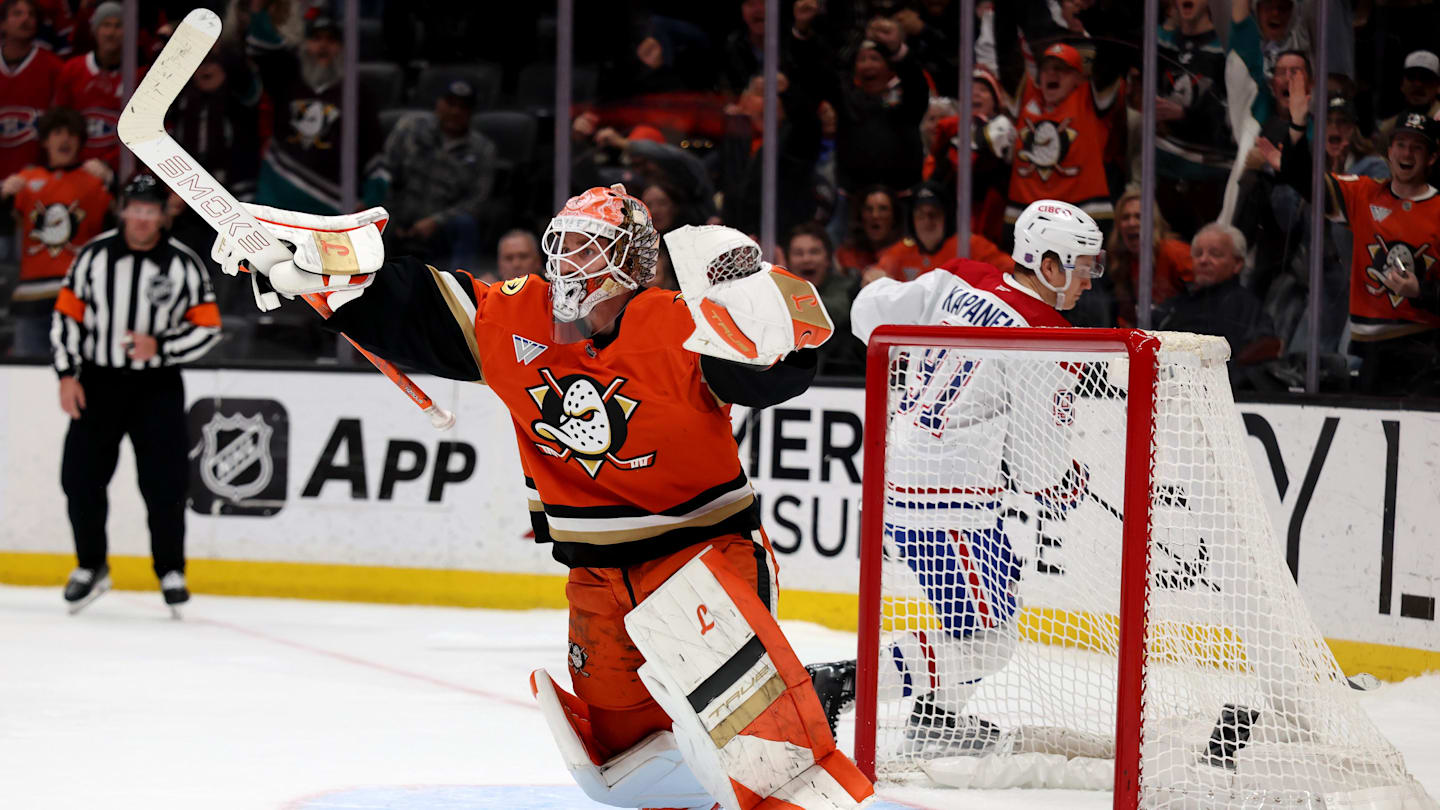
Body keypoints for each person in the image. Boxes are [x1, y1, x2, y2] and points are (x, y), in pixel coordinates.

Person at [210, 187, 874, 809]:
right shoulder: (515, 315)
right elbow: (414, 308)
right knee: (632, 761)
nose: (565, 261)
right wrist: (331, 280)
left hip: (701, 559)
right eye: (564, 242)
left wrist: (754, 308)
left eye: (588, 245)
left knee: (768, 755)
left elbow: (775, 372)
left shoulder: (678, 324)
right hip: (596, 575)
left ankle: (797, 705)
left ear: (629, 261)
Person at [805, 199, 1105, 746]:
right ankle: (841, 683)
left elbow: (867, 313)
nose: (1089, 279)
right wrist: (1065, 480)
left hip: (908, 478)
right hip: (948, 504)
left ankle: (936, 720)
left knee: (994, 612)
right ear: (1050, 264)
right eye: (1083, 266)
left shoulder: (961, 279)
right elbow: (1040, 470)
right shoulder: (1047, 335)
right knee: (988, 641)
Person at [53, 175, 222, 615]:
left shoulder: (183, 264)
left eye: (151, 210)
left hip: (157, 387)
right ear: (123, 210)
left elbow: (208, 327)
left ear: (163, 215)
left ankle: (171, 570)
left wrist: (161, 347)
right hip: (97, 382)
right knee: (80, 479)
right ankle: (91, 566)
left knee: (165, 484)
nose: (142, 218)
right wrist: (67, 375)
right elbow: (66, 317)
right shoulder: (92, 257)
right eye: (136, 208)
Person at [1279, 77, 1440, 396]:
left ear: (1431, 158)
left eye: (1417, 147)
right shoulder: (1363, 193)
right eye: (1401, 145)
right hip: (1371, 353)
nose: (1407, 153)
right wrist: (1298, 124)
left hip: (1426, 352)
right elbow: (1299, 178)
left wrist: (1419, 290)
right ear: (1389, 151)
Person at [2, 107, 112, 357]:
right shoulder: (25, 180)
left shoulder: (94, 180)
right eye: (58, 132)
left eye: (72, 134)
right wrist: (3, 198)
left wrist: (112, 182)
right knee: (28, 380)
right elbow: (5, 227)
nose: (65, 139)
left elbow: (121, 228)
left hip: (80, 296)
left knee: (80, 375)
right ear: (45, 140)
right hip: (30, 299)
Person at [252, 15, 385, 215]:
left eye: (331, 40)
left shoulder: (357, 92)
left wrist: (371, 200)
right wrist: (257, 12)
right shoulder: (285, 80)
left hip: (332, 206)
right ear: (304, 45)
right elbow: (261, 48)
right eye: (316, 39)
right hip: (277, 199)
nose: (323, 46)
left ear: (342, 48)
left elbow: (374, 150)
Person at [1007, 42, 1122, 235]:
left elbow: (1108, 63)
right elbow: (1007, 57)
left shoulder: (1089, 99)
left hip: (1084, 215)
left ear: (1078, 77)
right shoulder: (1027, 97)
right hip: (1026, 217)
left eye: (1062, 69)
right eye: (1047, 68)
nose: (1052, 74)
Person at [381, 80, 496, 271]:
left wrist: (436, 221)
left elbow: (478, 201)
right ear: (438, 104)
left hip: (443, 225)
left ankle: (462, 288)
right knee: (371, 215)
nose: (455, 112)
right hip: (399, 216)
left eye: (463, 107)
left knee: (466, 224)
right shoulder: (410, 129)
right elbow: (385, 173)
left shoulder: (482, 149)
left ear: (471, 113)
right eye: (450, 104)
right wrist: (394, 215)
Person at [1154, 223, 1280, 385]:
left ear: (1237, 264)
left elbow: (1262, 351)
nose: (1204, 260)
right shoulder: (1175, 306)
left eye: (1215, 254)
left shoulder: (1246, 306)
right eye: (1198, 254)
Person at [871, 181, 1014, 281]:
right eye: (920, 214)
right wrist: (874, 278)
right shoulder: (901, 252)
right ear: (911, 220)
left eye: (933, 214)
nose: (927, 221)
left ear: (946, 217)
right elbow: (875, 274)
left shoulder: (970, 245)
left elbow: (1011, 269)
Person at [52, 1, 128, 175]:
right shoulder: (73, 69)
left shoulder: (136, 76)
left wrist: (109, 164)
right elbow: (59, 121)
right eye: (106, 25)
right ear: (95, 30)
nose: (111, 33)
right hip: (75, 168)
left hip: (117, 172)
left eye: (118, 26)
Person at [1106, 187, 1194, 326]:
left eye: (1138, 216)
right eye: (1125, 217)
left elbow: (1204, 300)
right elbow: (1127, 319)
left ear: (1153, 222)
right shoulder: (1122, 260)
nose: (1131, 223)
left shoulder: (1175, 252)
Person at [787, 221, 863, 376]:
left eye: (814, 252)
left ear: (828, 259)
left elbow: (835, 312)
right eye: (798, 253)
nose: (806, 259)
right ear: (788, 261)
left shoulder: (847, 286)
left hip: (840, 380)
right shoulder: (780, 289)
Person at [0, 0, 63, 183]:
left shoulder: (54, 67)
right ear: (2, 23)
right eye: (17, 13)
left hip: (38, 177)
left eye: (31, 15)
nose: (26, 19)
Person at [836, 185, 901, 273]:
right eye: (868, 209)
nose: (875, 215)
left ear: (894, 216)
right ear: (860, 216)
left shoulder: (907, 253)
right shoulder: (847, 254)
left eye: (883, 209)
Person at [1378, 50, 1440, 137]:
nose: (1418, 84)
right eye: (1412, 77)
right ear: (1402, 84)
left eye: (1426, 77)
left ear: (1438, 87)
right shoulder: (1388, 129)